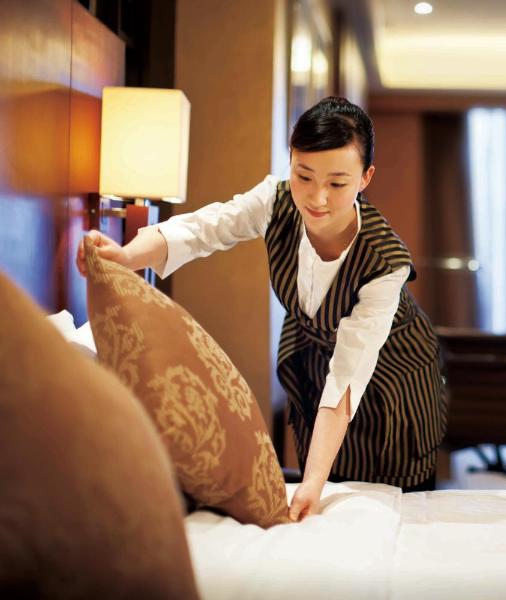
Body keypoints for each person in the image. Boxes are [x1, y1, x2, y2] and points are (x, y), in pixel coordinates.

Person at [77, 96, 448, 522]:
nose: (317, 198)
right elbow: (202, 229)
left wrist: (312, 483)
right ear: (291, 160)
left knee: (394, 501)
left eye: (337, 184)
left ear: (366, 178)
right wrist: (125, 256)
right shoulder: (276, 199)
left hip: (394, 377)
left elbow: (348, 375)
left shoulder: (385, 263)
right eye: (304, 175)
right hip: (316, 362)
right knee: (326, 495)